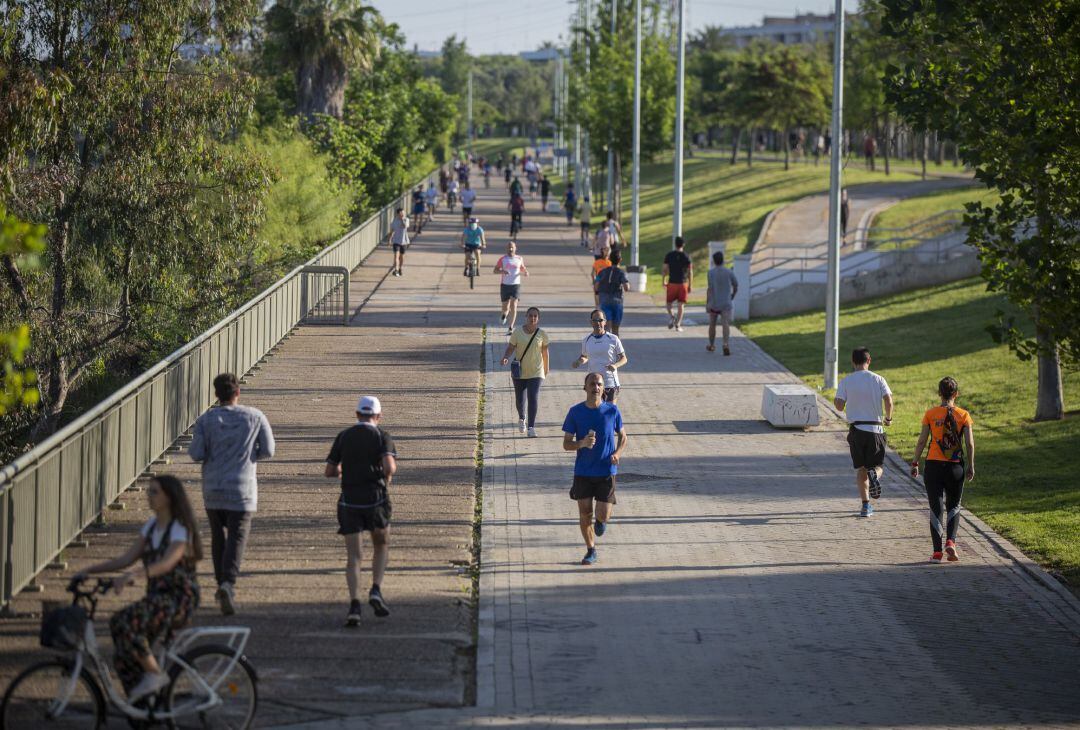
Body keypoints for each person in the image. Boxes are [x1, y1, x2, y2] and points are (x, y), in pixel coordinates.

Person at [74, 475, 202, 699]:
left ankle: (155, 674)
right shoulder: (152, 526)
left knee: (127, 621)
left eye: (154, 492)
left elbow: (167, 562)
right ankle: (141, 702)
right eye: (148, 491)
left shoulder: (180, 528)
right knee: (122, 647)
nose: (148, 496)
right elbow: (126, 559)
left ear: (169, 497)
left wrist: (135, 575)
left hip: (179, 598)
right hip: (157, 597)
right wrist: (89, 571)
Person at [189, 373, 274, 616]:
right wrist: (249, 457)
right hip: (242, 489)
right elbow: (268, 449)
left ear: (216, 395)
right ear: (238, 392)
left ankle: (220, 583)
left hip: (213, 488)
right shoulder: (255, 416)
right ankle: (228, 583)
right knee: (237, 537)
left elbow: (196, 453)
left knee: (218, 537)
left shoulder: (206, 420)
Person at [324, 396, 397, 626]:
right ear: (378, 416)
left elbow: (329, 470)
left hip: (349, 501)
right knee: (381, 544)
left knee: (354, 556)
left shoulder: (344, 436)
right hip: (375, 500)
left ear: (357, 414)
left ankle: (354, 605)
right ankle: (375, 589)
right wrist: (386, 478)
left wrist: (343, 472)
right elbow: (389, 466)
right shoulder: (382, 436)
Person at [562, 372, 628, 565]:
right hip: (583, 471)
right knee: (584, 513)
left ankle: (601, 522)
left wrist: (617, 454)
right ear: (585, 387)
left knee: (602, 514)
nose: (596, 387)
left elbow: (624, 437)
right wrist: (581, 443)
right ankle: (591, 550)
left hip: (606, 471)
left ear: (603, 388)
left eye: (599, 384)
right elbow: (566, 444)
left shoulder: (612, 411)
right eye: (592, 384)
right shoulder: (575, 412)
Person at [909, 377, 975, 562]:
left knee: (935, 507)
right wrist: (970, 465)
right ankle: (951, 543)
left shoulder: (930, 414)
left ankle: (937, 553)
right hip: (955, 467)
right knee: (954, 506)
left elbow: (922, 440)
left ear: (939, 393)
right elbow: (969, 443)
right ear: (956, 394)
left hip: (933, 466)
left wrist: (915, 463)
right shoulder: (964, 415)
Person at [834, 347, 894, 518]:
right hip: (875, 428)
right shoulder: (878, 379)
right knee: (878, 465)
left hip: (856, 430)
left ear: (853, 362)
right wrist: (888, 418)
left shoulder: (846, 381)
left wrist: (837, 400)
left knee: (861, 469)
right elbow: (888, 400)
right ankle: (875, 474)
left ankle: (866, 506)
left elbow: (839, 405)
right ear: (869, 360)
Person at [500, 306, 550, 437]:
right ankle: (522, 418)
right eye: (530, 315)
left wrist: (546, 368)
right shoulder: (517, 332)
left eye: (535, 316)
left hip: (536, 371)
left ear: (538, 319)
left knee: (533, 397)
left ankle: (531, 427)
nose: (532, 318)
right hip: (520, 371)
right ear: (526, 317)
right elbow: (511, 347)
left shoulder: (542, 334)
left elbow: (545, 352)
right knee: (519, 399)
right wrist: (506, 357)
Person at [571, 309, 628, 404]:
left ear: (605, 322)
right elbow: (585, 356)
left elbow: (624, 358)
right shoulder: (586, 340)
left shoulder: (613, 339)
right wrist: (579, 361)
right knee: (595, 411)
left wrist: (615, 366)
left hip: (610, 382)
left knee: (610, 412)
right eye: (595, 320)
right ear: (591, 322)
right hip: (593, 383)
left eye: (601, 320)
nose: (598, 323)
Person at [706, 251, 738, 355]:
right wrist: (732, 295)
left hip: (714, 302)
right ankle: (725, 344)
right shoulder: (729, 272)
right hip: (726, 302)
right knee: (725, 323)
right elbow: (736, 285)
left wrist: (707, 303)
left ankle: (711, 345)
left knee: (712, 324)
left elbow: (710, 289)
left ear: (714, 261)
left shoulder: (710, 273)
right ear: (723, 260)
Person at [494, 240, 528, 334]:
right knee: (505, 308)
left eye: (512, 247)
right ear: (507, 248)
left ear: (515, 248)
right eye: (509, 247)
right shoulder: (503, 259)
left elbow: (522, 267)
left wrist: (525, 271)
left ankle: (510, 327)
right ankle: (504, 315)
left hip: (515, 285)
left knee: (514, 305)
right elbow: (495, 270)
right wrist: (503, 271)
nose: (511, 249)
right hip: (505, 285)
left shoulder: (519, 258)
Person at [594, 252, 630, 336]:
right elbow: (626, 287)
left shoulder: (602, 272)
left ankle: (606, 346)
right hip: (617, 302)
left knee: (606, 328)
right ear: (620, 260)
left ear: (609, 259)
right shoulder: (621, 272)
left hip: (604, 301)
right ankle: (615, 348)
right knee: (615, 329)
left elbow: (596, 286)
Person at [662, 236, 693, 331]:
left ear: (675, 244)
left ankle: (672, 317)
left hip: (672, 283)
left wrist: (663, 280)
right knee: (681, 305)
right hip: (683, 283)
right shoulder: (687, 256)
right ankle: (678, 324)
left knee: (668, 304)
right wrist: (690, 285)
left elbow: (665, 269)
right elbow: (690, 272)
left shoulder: (669, 255)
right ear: (683, 244)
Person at [386, 207, 409, 277]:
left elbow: (405, 226)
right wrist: (389, 240)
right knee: (396, 256)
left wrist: (402, 219)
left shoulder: (406, 219)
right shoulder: (394, 221)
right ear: (397, 214)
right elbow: (392, 231)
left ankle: (400, 268)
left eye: (403, 213)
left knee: (401, 257)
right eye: (401, 213)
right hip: (396, 241)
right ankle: (396, 269)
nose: (403, 214)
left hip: (404, 241)